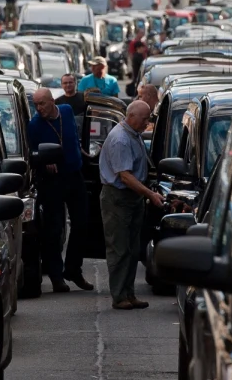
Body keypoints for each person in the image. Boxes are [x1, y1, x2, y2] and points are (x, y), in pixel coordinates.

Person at [99, 100, 163, 310]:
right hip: (119, 197)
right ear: (131, 116)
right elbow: (125, 177)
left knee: (133, 248)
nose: (147, 123)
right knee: (119, 248)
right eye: (145, 119)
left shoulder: (133, 134)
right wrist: (150, 194)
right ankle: (119, 296)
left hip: (132, 197)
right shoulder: (120, 139)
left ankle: (129, 292)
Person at [28, 88, 92, 292]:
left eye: (42, 104)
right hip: (52, 181)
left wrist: (82, 150)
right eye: (36, 104)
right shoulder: (35, 125)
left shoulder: (66, 111)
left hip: (74, 175)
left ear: (52, 101)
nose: (39, 108)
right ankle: (57, 277)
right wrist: (43, 161)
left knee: (82, 223)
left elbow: (73, 134)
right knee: (54, 229)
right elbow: (32, 153)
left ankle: (73, 269)